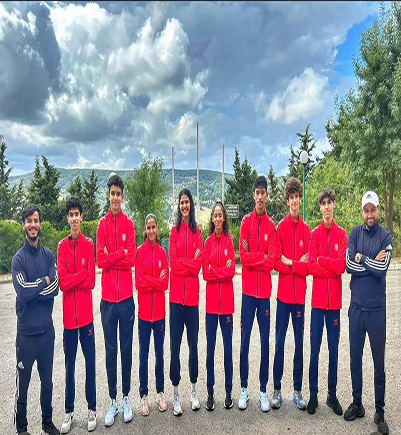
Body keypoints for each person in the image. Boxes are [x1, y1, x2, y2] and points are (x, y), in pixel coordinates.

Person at [344, 191, 392, 435]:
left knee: (378, 363)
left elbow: (383, 268)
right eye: (366, 210)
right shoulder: (354, 233)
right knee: (355, 359)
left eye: (373, 210)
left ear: (378, 210)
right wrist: (370, 261)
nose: (369, 214)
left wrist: (363, 258)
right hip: (356, 310)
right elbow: (348, 265)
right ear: (362, 211)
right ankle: (358, 403)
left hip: (376, 311)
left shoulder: (385, 236)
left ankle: (379, 411)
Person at [12, 204, 60, 435]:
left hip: (46, 333)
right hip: (26, 335)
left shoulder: (49, 256)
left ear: (40, 224)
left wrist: (36, 289)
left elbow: (56, 287)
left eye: (36, 220)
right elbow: (22, 291)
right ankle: (21, 428)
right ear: (24, 225)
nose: (33, 224)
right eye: (29, 221)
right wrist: (43, 282)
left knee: (47, 383)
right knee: (23, 385)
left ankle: (47, 422)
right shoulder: (18, 260)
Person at [96, 174, 136, 426]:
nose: (115, 198)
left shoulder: (129, 225)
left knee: (126, 350)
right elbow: (100, 260)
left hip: (126, 301)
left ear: (123, 196)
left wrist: (115, 254)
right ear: (108, 195)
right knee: (111, 351)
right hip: (108, 301)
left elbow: (131, 259)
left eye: (118, 194)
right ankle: (113, 400)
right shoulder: (101, 225)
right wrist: (119, 254)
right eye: (112, 193)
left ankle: (126, 397)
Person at [307, 188, 347, 416]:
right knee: (314, 352)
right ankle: (313, 395)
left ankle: (332, 395)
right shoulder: (314, 235)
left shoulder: (341, 234)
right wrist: (328, 266)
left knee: (333, 352)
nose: (326, 207)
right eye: (323, 204)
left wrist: (323, 259)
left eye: (329, 202)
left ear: (334, 205)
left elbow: (342, 266)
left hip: (334, 307)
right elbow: (311, 267)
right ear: (320, 207)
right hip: (318, 305)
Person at [57, 197, 96, 433]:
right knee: (69, 368)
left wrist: (76, 277)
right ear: (68, 218)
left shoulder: (88, 244)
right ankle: (69, 411)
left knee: (90, 364)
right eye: (70, 215)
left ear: (81, 217)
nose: (74, 218)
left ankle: (92, 409)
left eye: (76, 214)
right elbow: (62, 283)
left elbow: (91, 282)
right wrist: (81, 274)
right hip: (69, 323)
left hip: (87, 319)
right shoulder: (61, 246)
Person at [238, 175, 276, 412]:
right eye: (257, 193)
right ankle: (244, 388)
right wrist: (261, 256)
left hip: (264, 297)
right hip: (248, 294)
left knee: (264, 343)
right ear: (254, 195)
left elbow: (272, 262)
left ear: (267, 196)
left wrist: (258, 258)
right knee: (244, 342)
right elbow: (243, 258)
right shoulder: (245, 223)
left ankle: (263, 390)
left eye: (263, 193)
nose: (260, 197)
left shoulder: (271, 225)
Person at [272, 177, 310, 411]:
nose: (295, 201)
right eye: (291, 198)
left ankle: (297, 391)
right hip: (283, 298)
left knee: (298, 345)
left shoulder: (306, 230)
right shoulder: (281, 228)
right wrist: (294, 263)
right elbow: (276, 262)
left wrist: (290, 262)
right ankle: (276, 390)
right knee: (279, 344)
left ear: (300, 199)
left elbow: (307, 267)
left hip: (299, 300)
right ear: (287, 201)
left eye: (297, 197)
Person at [169, 188, 203, 416]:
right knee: (175, 347)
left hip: (191, 301)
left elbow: (198, 266)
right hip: (175, 302)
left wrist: (186, 263)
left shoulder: (197, 232)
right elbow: (173, 264)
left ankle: (193, 390)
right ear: (178, 206)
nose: (184, 206)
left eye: (187, 202)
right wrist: (188, 262)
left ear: (191, 205)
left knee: (193, 346)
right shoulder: (174, 232)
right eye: (181, 202)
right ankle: (175, 393)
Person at [202, 201, 236, 411]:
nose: (217, 218)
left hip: (227, 308)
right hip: (211, 308)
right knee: (210, 351)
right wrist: (220, 270)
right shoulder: (207, 243)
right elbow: (205, 275)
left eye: (220, 215)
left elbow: (231, 272)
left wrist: (216, 269)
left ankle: (229, 392)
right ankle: (210, 393)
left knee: (227, 351)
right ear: (212, 219)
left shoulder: (229, 243)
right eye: (214, 215)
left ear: (224, 218)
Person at [135, 214, 169, 416]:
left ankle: (160, 392)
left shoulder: (163, 253)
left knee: (159, 356)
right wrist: (154, 279)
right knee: (143, 356)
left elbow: (165, 284)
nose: (151, 231)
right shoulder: (140, 252)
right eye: (148, 228)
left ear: (157, 228)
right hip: (144, 316)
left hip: (159, 316)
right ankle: (144, 395)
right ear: (145, 230)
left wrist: (149, 279)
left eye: (153, 227)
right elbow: (138, 284)